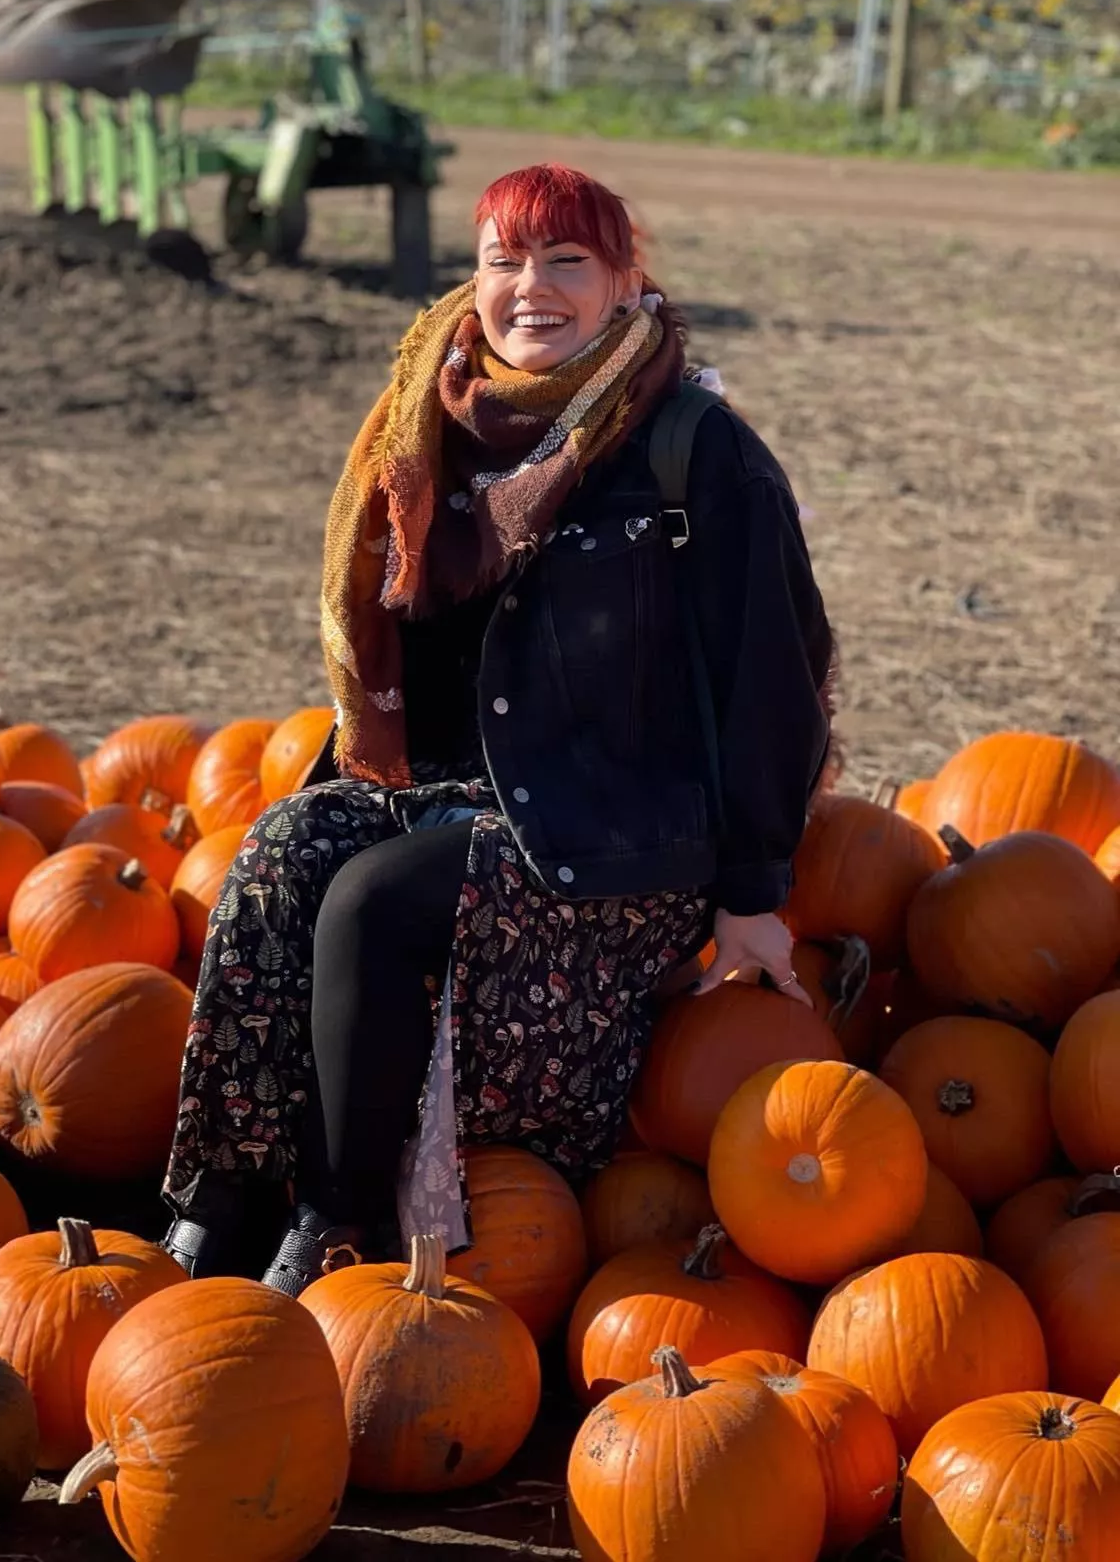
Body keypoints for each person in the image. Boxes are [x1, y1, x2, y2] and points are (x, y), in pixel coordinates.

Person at [162, 161, 833, 1294]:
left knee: (377, 901)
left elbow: (779, 673)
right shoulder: (433, 425)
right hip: (453, 792)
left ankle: (337, 1225)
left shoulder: (691, 447)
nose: (534, 288)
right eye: (505, 260)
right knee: (281, 858)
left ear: (624, 282)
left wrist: (754, 894)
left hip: (612, 833)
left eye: (568, 260)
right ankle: (224, 1202)